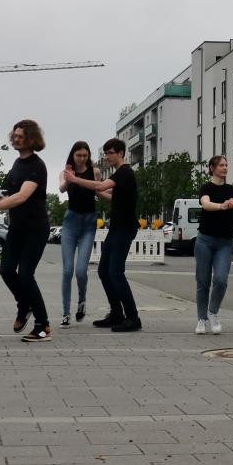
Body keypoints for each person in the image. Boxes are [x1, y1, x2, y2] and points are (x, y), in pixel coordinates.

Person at [0, 120, 52, 343]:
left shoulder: (37, 166)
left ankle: (42, 326)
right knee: (7, 270)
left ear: (31, 139)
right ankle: (24, 304)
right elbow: (6, 195)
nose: (15, 138)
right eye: (14, 135)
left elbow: (21, 196)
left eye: (20, 136)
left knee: (26, 274)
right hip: (17, 228)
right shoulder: (17, 164)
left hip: (35, 229)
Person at [66, 137, 141, 332]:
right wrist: (97, 193)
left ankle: (133, 318)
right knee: (103, 271)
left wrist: (75, 180)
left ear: (121, 153)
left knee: (116, 273)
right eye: (106, 153)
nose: (107, 156)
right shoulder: (119, 175)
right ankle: (117, 313)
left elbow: (100, 186)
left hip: (125, 229)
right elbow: (110, 196)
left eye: (110, 153)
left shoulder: (125, 172)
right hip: (116, 228)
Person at [194, 155, 233, 335]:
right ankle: (201, 318)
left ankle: (213, 312)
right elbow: (205, 204)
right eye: (221, 165)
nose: (225, 168)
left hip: (225, 242)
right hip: (205, 240)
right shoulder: (206, 187)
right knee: (203, 281)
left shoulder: (232, 189)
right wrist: (222, 206)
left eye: (227, 165)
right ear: (212, 168)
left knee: (221, 280)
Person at [58, 141, 98, 328]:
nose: (82, 158)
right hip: (71, 223)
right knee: (67, 270)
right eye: (78, 155)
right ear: (73, 156)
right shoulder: (65, 172)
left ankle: (82, 299)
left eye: (85, 155)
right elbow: (62, 189)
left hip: (89, 223)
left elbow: (99, 189)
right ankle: (65, 313)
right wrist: (68, 178)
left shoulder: (95, 172)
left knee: (81, 270)